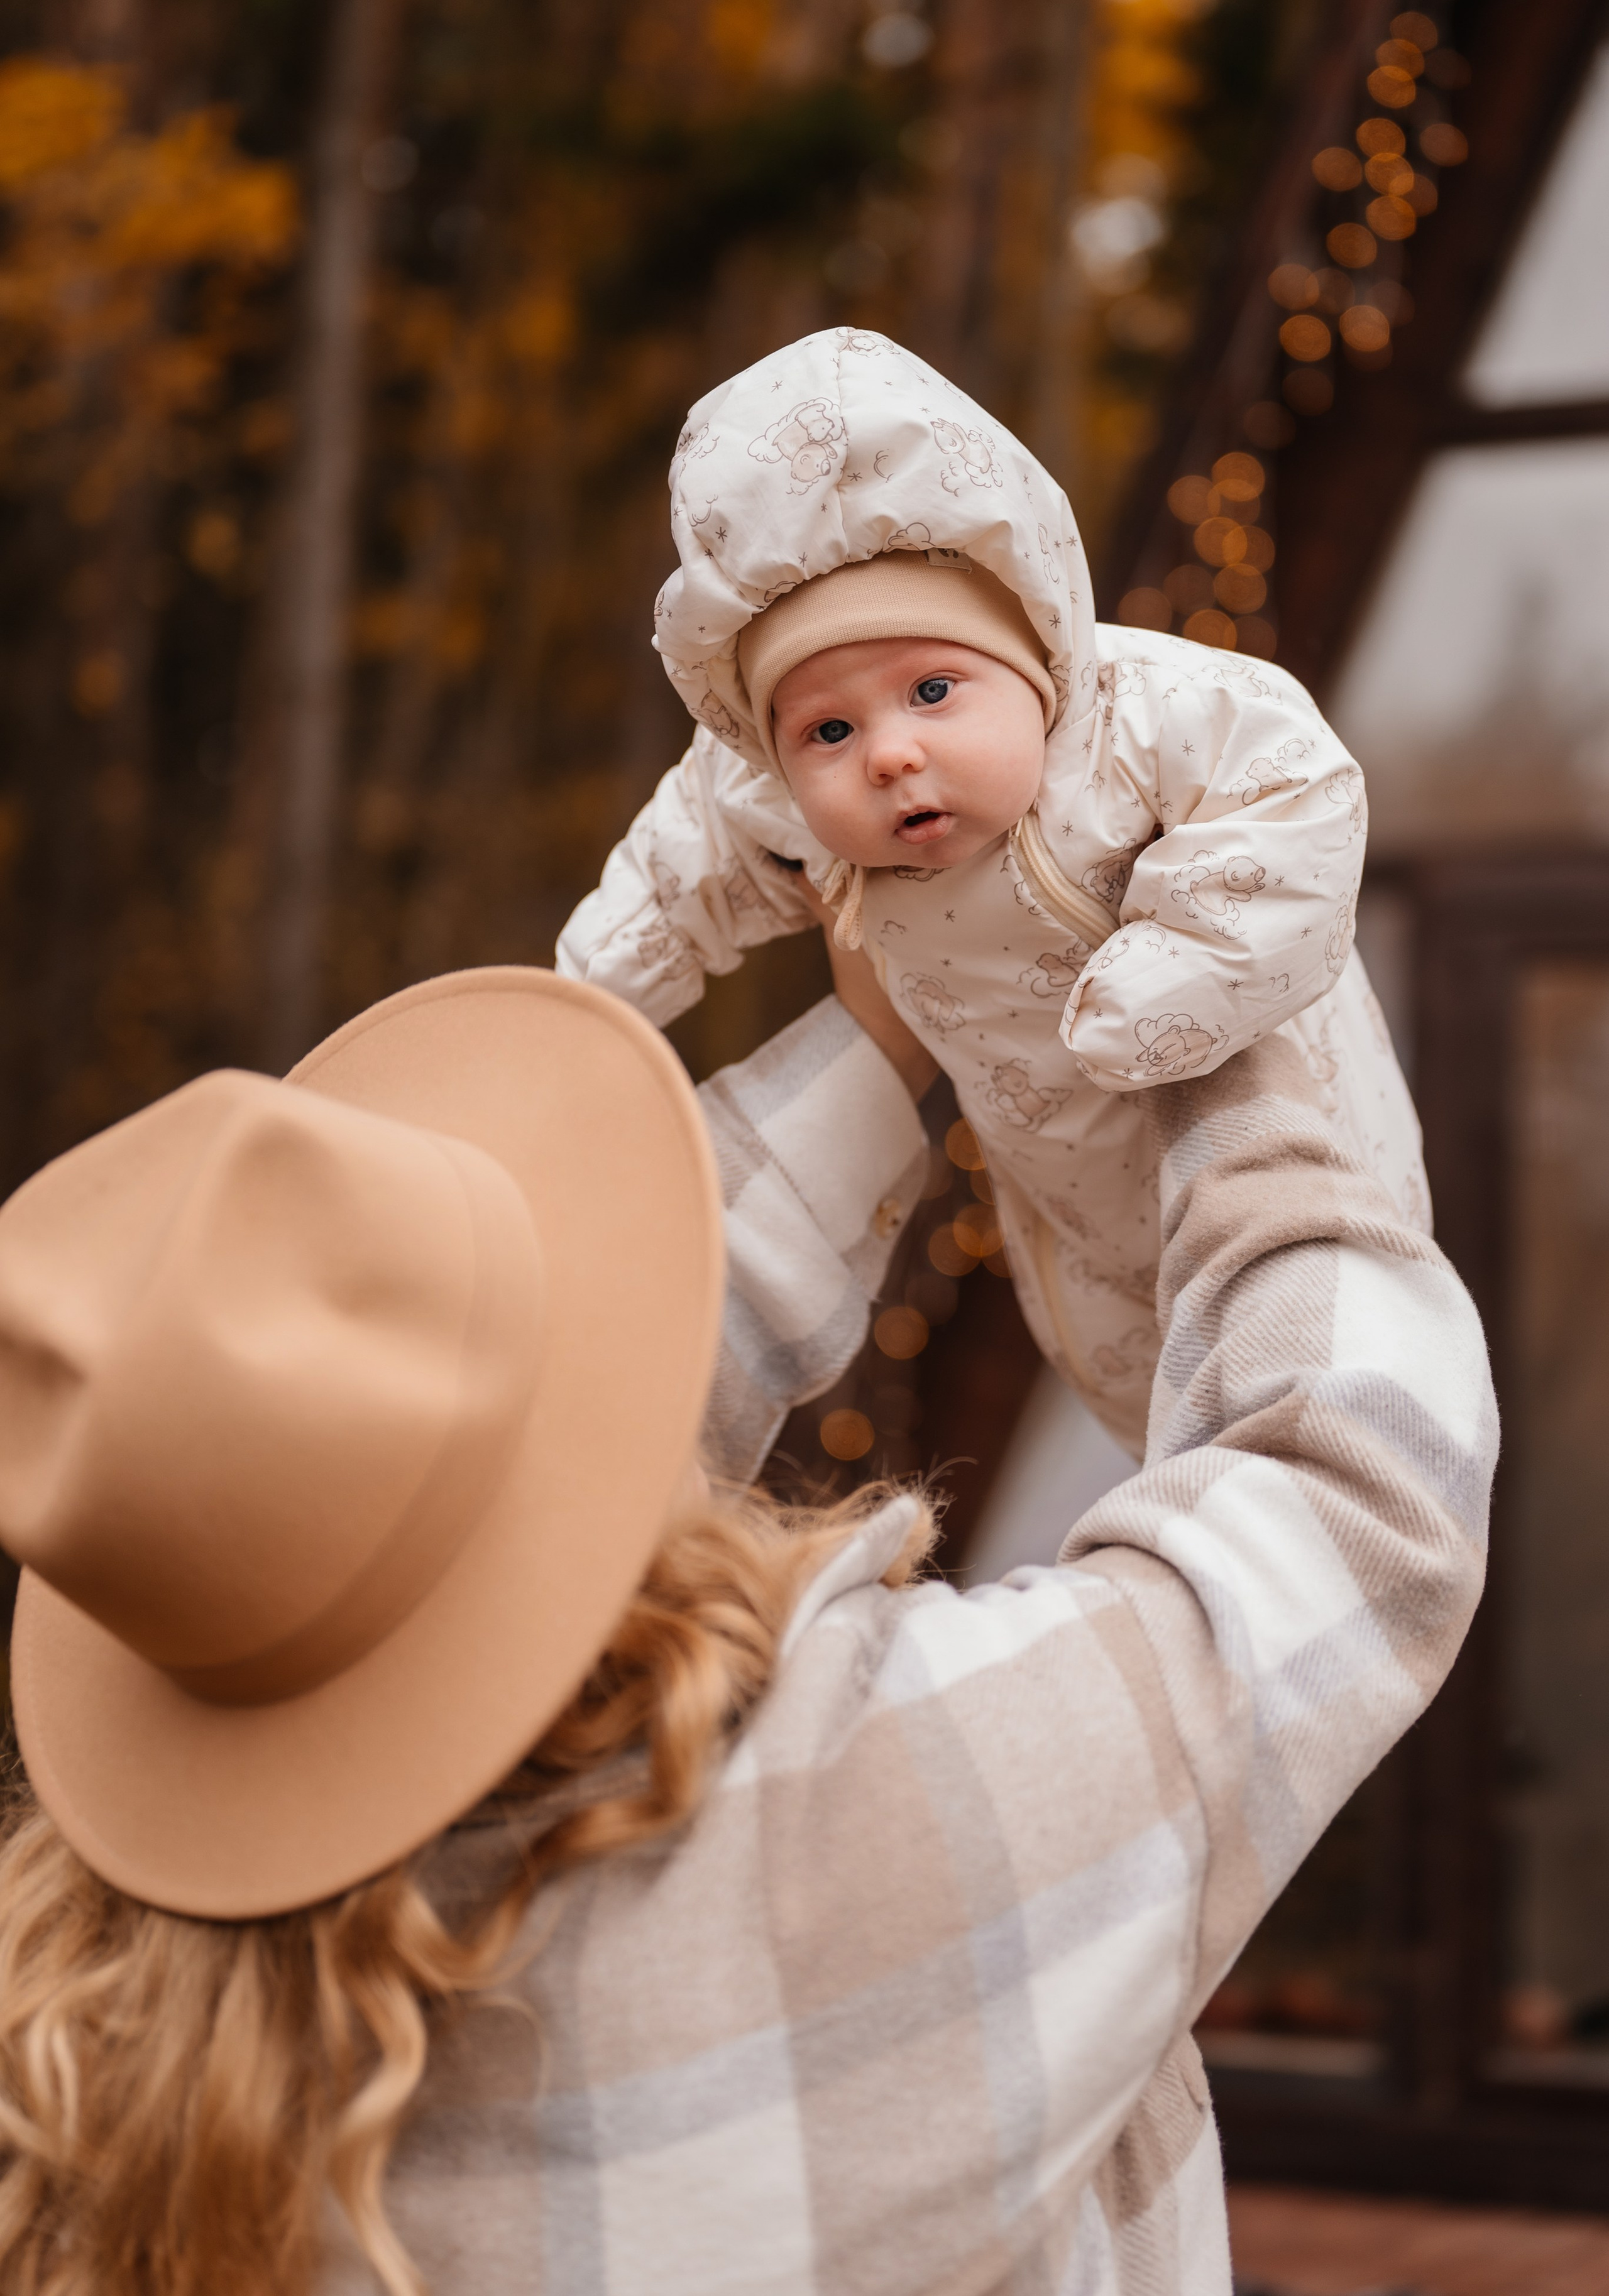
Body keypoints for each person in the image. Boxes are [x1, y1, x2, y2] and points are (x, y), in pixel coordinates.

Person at [0, 935, 1493, 2296]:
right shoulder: (845, 1825)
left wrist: (887, 1018)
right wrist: (1234, 1004)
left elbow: (464, 1459)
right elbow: (1354, 1479)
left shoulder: (98, 2037)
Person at [557, 326, 1426, 1453]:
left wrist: (1170, 979)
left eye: (931, 688)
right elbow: (678, 864)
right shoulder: (765, 792)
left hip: (1277, 1118)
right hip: (1062, 1195)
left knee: (1324, 1366)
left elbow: (1299, 796)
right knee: (1156, 1409)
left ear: (1028, 652)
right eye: (830, 728)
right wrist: (590, 997)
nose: (888, 754)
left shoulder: (1143, 714)